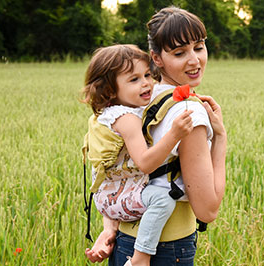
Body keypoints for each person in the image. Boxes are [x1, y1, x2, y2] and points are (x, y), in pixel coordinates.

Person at [86, 6, 227, 266]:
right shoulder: (189, 113)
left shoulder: (135, 99)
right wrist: (220, 138)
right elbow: (208, 210)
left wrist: (109, 228)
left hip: (123, 242)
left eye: (199, 47)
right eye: (179, 52)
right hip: (165, 249)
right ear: (157, 58)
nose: (194, 60)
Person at [81, 44, 195, 266]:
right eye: (133, 80)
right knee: (162, 199)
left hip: (108, 194)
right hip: (117, 197)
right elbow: (145, 163)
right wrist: (174, 134)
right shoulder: (127, 119)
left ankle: (108, 231)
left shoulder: (110, 112)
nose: (146, 83)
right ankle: (141, 257)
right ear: (110, 91)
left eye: (147, 75)